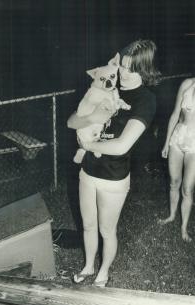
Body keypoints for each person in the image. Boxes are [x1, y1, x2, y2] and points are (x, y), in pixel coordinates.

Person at [67, 39, 159, 286]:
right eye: (122, 66)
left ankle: (103, 272)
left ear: (144, 70)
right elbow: (71, 122)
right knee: (88, 225)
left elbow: (121, 145)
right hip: (88, 170)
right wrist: (93, 117)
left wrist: (87, 146)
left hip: (113, 176)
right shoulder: (106, 82)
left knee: (107, 230)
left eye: (130, 69)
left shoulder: (145, 100)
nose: (123, 73)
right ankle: (88, 266)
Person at [158, 78, 195, 242]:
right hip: (178, 137)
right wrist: (166, 143)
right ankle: (172, 216)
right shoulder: (187, 84)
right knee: (174, 181)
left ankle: (184, 228)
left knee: (187, 189)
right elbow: (174, 115)